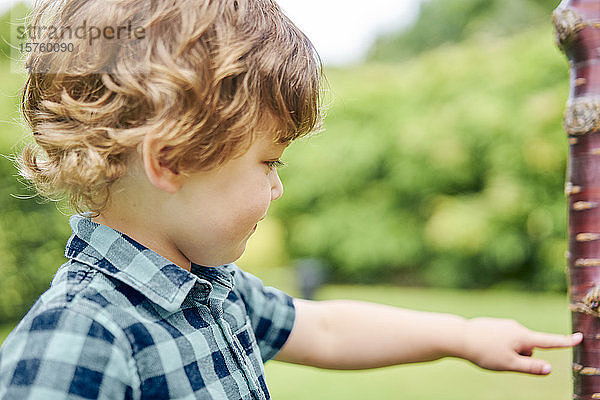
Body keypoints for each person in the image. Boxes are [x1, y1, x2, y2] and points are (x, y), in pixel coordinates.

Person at [0, 0, 582, 398]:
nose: (277, 185)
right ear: (170, 158)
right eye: (268, 161)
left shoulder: (211, 290)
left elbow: (325, 329)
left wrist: (462, 336)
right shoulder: (79, 339)